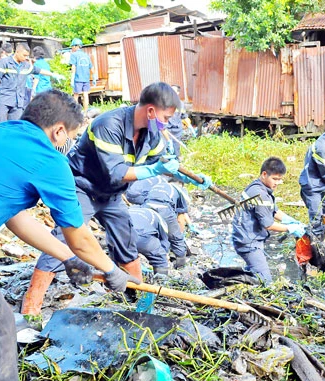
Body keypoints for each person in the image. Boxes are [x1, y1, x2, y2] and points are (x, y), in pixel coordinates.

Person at [0, 89, 138, 381]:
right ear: (59, 130)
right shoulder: (48, 158)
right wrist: (111, 270)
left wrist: (66, 258)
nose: (70, 144)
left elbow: (17, 218)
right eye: (72, 136)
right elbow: (80, 236)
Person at [24, 82, 213, 313]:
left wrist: (187, 176)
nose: (168, 123)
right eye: (167, 116)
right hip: (82, 187)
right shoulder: (107, 125)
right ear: (151, 111)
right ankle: (31, 306)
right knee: (65, 238)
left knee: (126, 238)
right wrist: (155, 171)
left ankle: (137, 300)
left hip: (112, 194)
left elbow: (160, 163)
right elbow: (116, 173)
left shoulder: (152, 135)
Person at [232, 157, 307, 284]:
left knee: (254, 270)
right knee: (265, 281)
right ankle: (235, 285)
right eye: (275, 179)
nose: (277, 182)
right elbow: (268, 224)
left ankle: (246, 279)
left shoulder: (257, 187)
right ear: (264, 174)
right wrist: (290, 229)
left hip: (246, 236)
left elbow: (274, 211)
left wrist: (290, 220)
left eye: (280, 179)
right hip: (249, 242)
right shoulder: (259, 194)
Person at [0, 42, 64, 122]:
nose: (26, 58)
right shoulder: (4, 63)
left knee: (16, 125)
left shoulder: (26, 65)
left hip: (18, 101)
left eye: (27, 56)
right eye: (24, 55)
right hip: (4, 98)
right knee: (0, 123)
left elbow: (38, 71)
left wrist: (53, 74)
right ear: (17, 52)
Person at [143, 181, 191, 270]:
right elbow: (180, 219)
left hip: (146, 208)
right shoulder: (180, 192)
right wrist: (179, 234)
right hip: (164, 209)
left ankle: (154, 261)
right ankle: (180, 267)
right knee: (176, 238)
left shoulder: (157, 185)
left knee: (154, 236)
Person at [69, 38, 96, 111]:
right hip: (86, 79)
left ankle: (75, 112)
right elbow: (92, 67)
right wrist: (94, 77)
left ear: (75, 46)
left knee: (76, 95)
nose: (72, 48)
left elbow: (73, 67)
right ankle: (86, 112)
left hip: (78, 79)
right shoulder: (86, 55)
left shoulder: (74, 55)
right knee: (85, 95)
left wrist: (72, 78)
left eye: (72, 46)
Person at [166, 84, 189, 158]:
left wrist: (190, 127)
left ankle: (176, 163)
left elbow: (184, 116)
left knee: (176, 149)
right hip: (167, 130)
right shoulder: (164, 102)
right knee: (165, 148)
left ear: (178, 93)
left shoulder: (181, 104)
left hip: (177, 130)